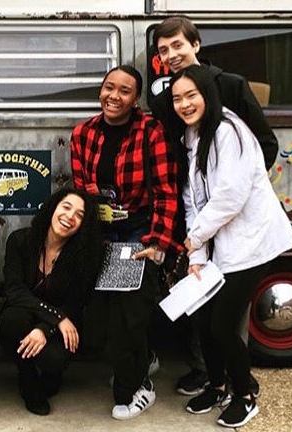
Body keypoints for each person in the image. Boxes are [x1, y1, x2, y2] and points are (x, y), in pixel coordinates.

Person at [148, 15, 279, 397]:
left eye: (178, 45)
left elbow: (264, 146)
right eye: (163, 49)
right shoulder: (164, 94)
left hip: (231, 215)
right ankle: (208, 373)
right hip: (194, 208)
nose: (172, 54)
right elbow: (179, 153)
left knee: (227, 313)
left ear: (196, 44)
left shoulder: (231, 87)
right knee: (200, 300)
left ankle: (237, 382)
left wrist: (238, 192)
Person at [170, 65, 292, 428]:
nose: (184, 104)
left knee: (223, 325)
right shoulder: (190, 137)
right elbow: (192, 199)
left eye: (191, 95)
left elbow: (230, 198)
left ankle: (245, 394)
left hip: (250, 243)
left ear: (208, 94)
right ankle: (218, 384)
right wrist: (195, 254)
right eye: (177, 98)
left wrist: (193, 239)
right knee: (203, 318)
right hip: (216, 245)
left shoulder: (229, 131)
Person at [70, 65, 181, 420]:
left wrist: (159, 242)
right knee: (102, 314)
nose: (113, 96)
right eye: (108, 88)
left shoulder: (151, 131)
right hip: (102, 228)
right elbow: (83, 189)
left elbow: (165, 191)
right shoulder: (83, 133)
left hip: (139, 228)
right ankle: (143, 360)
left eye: (124, 91)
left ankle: (135, 387)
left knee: (128, 312)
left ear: (136, 99)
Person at [0, 187, 104, 416]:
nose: (69, 217)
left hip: (61, 324)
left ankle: (51, 374)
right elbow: (14, 290)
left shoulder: (83, 255)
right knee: (12, 319)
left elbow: (75, 303)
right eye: (66, 207)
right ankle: (26, 378)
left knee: (54, 359)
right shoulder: (20, 240)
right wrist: (55, 317)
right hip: (27, 315)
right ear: (53, 208)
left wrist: (44, 328)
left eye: (79, 215)